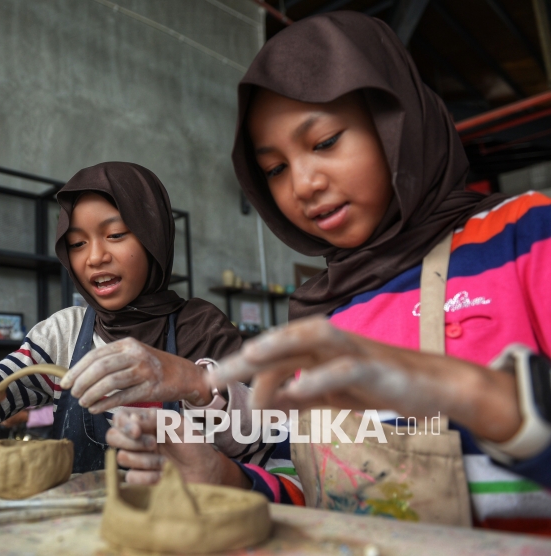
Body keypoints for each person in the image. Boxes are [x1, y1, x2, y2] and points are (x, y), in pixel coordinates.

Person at [109, 12, 551, 534]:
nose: (303, 184)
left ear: (395, 122)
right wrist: (224, 478)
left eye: (324, 142)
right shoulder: (323, 313)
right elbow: (325, 494)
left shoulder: (524, 235)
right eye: (274, 168)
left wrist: (483, 398)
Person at [0, 162, 302, 502]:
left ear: (154, 237)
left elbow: (268, 446)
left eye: (116, 234)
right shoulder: (62, 335)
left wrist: (194, 383)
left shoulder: (203, 331)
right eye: (77, 243)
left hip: (184, 531)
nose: (95, 257)